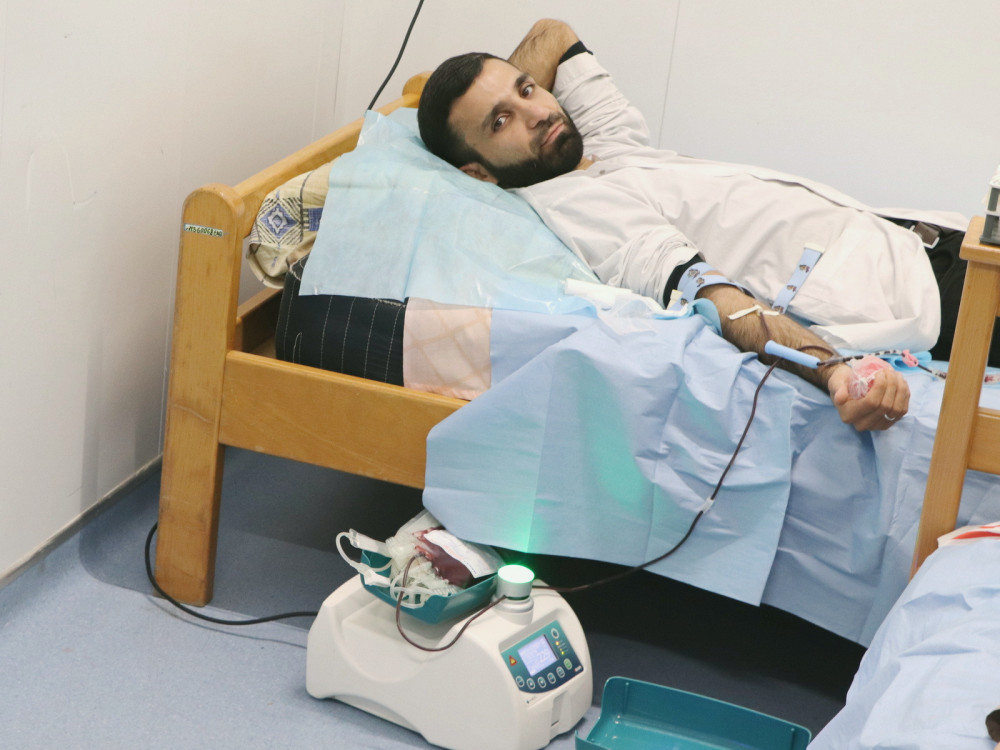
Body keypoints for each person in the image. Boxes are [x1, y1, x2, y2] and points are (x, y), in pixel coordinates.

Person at [417, 19, 993, 432]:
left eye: (528, 89)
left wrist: (502, 102)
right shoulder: (574, 205)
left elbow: (553, 34)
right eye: (501, 122)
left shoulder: (599, 146)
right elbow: (711, 294)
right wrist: (833, 370)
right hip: (931, 295)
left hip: (924, 239)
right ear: (477, 173)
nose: (538, 112)